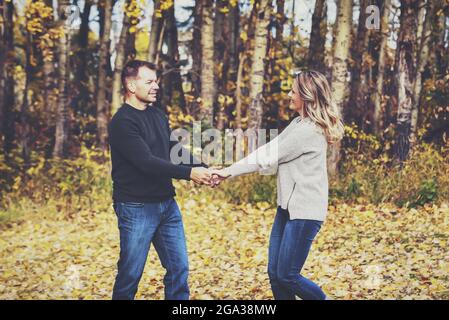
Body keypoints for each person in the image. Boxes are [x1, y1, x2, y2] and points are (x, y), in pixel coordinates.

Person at [212, 70, 344, 300]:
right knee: (275, 273)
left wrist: (226, 173)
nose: (289, 95)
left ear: (307, 95)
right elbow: (268, 149)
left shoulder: (308, 131)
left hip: (305, 212)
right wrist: (228, 170)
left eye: (293, 91)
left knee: (287, 275)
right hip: (287, 209)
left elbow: (267, 156)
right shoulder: (298, 123)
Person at [108, 60, 212, 300]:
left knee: (179, 269)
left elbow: (172, 148)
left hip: (167, 205)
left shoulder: (157, 115)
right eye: (150, 81)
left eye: (156, 81)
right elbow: (146, 162)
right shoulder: (123, 122)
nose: (156, 86)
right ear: (132, 86)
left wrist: (204, 169)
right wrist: (189, 174)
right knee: (130, 274)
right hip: (136, 208)